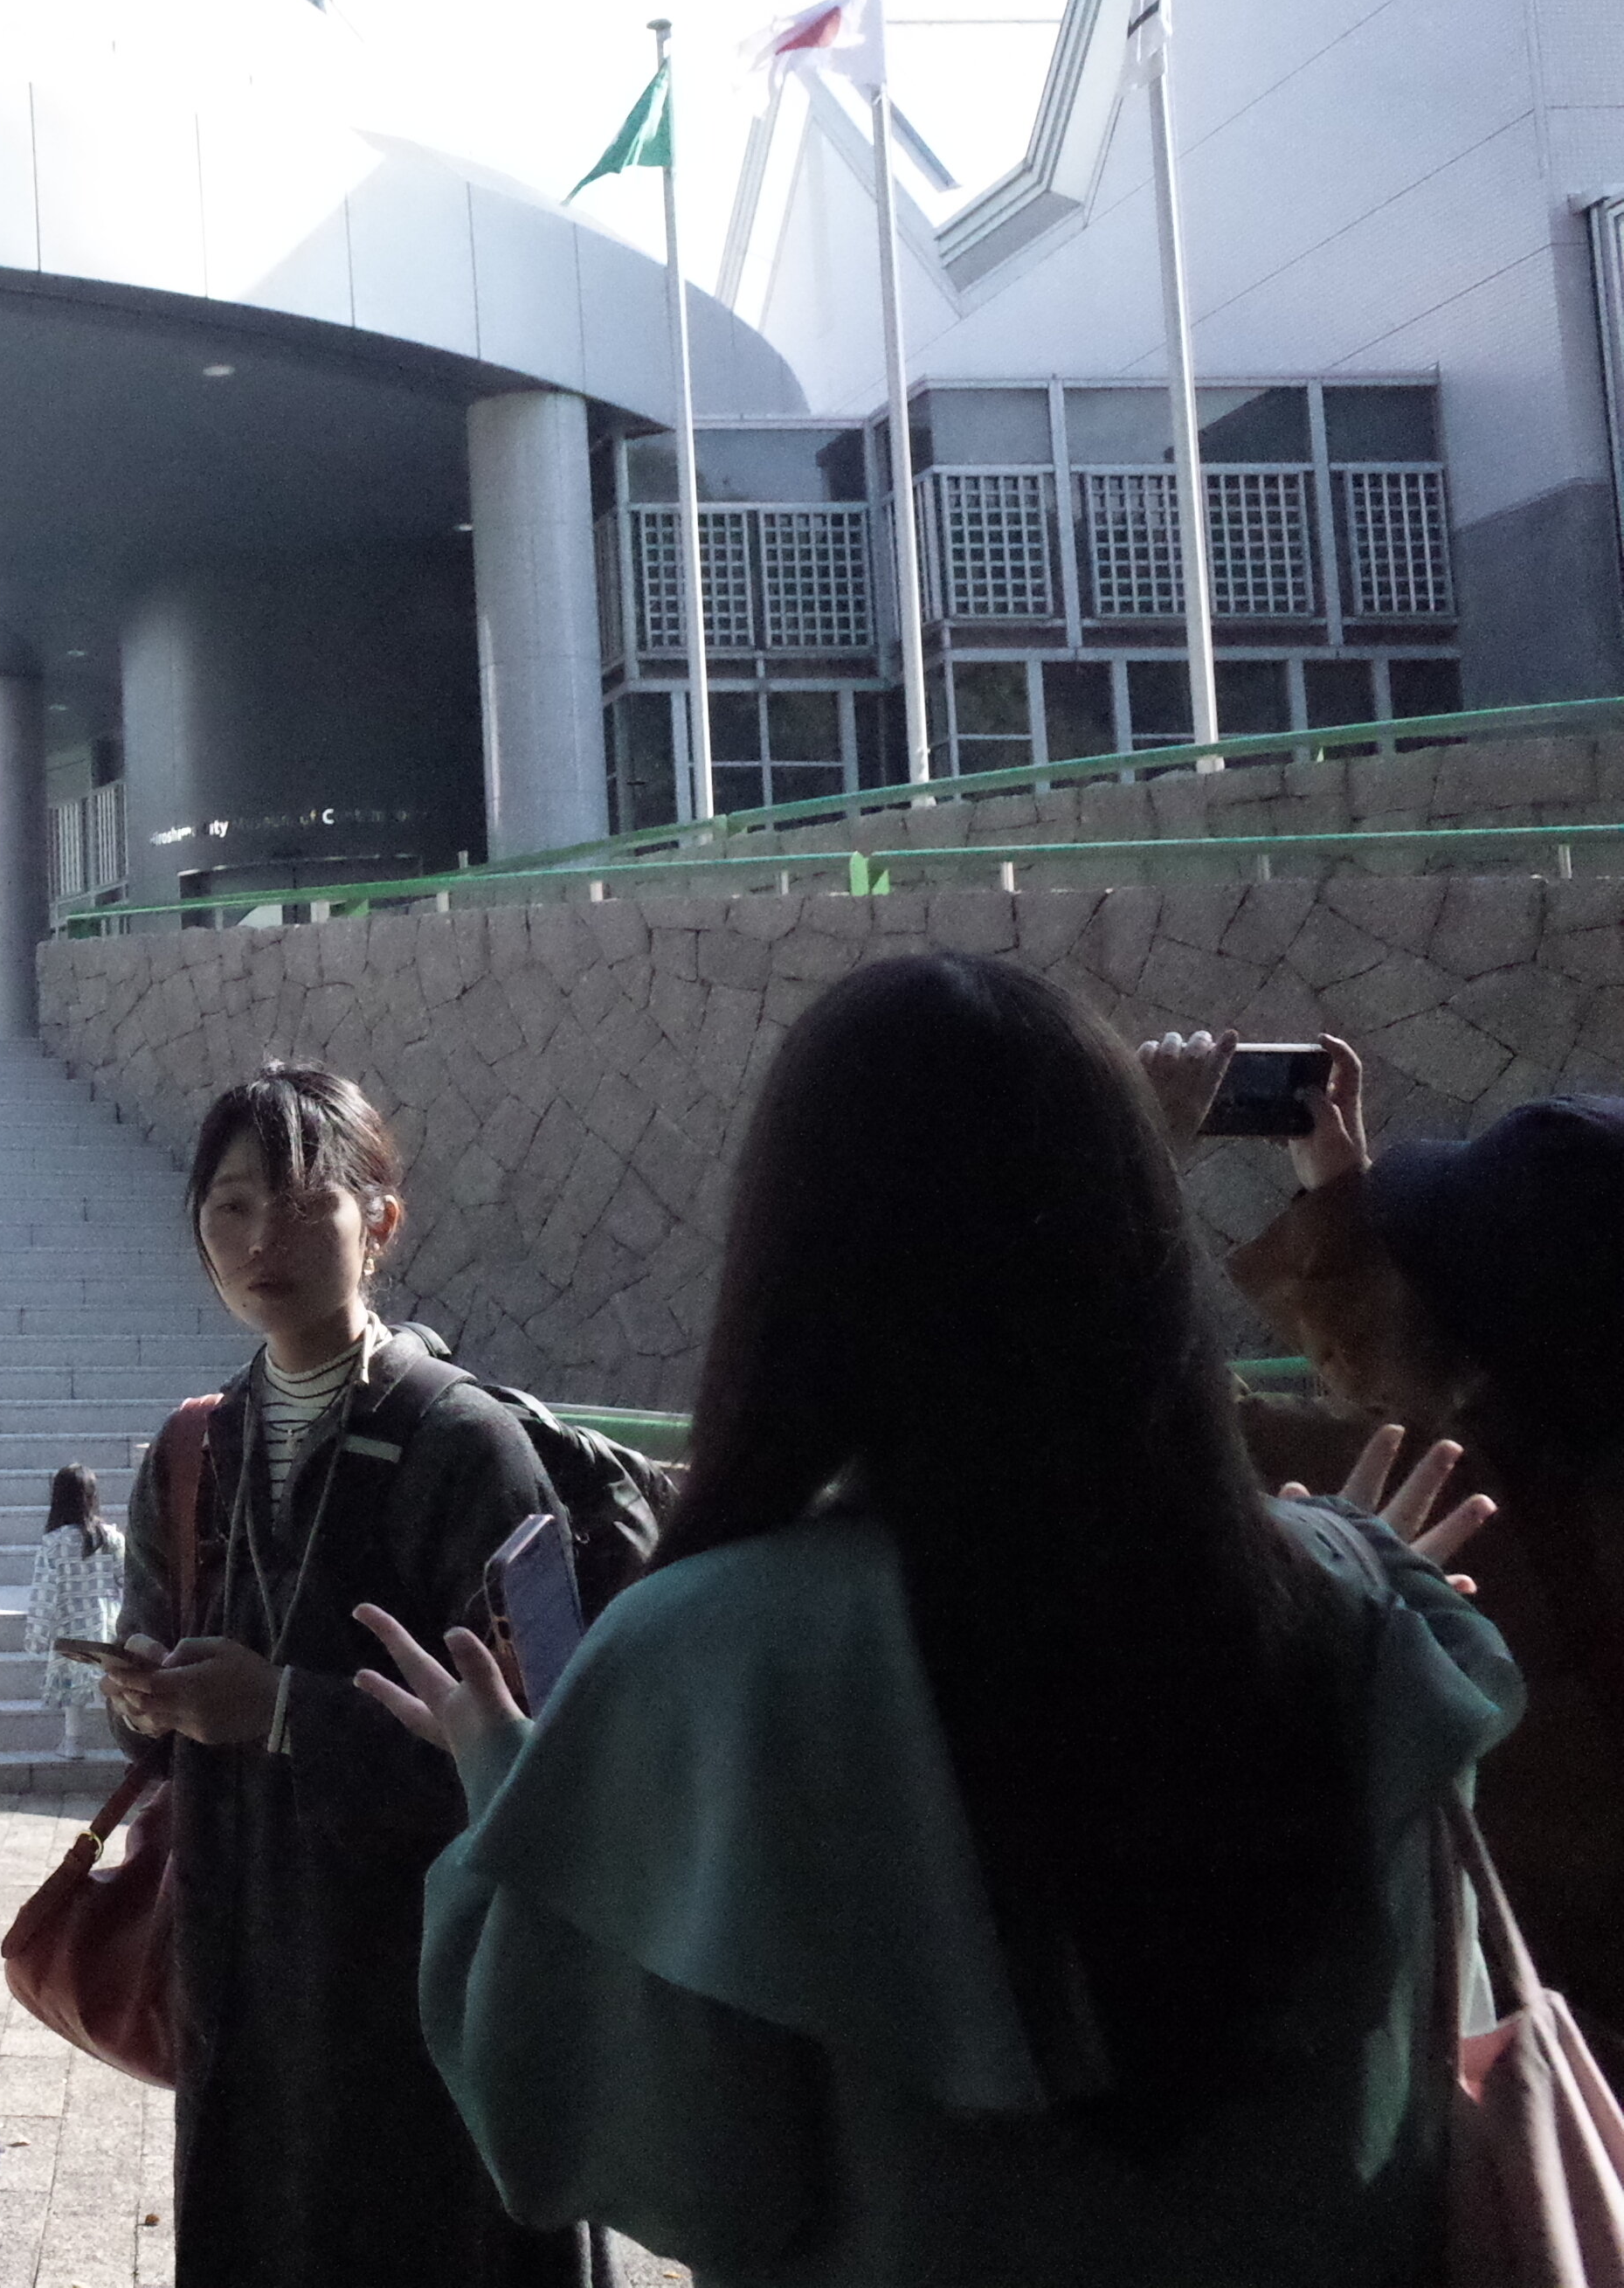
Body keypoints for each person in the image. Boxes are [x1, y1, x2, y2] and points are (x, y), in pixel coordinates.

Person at [367, 955, 1515, 2288]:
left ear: (797, 1262)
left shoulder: (706, 1660)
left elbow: (638, 2153)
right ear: (1139, 1233)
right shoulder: (1361, 1610)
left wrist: (530, 1802)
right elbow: (1425, 2050)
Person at [100, 1061, 589, 2288]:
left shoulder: (466, 1447)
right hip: (244, 1988)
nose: (260, 1240)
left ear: (381, 1222)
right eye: (230, 1206)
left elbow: (544, 1770)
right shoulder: (195, 1447)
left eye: (301, 1203)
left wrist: (282, 1713)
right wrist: (144, 1700)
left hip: (427, 2005)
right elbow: (160, 1720)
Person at [1139, 1026, 1624, 2051]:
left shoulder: (1421, 1519)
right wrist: (1339, 1201)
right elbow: (1449, 1392)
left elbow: (1133, 1416)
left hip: (1531, 2080)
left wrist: (1127, 1166)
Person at [26, 1462, 124, 1755]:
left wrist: (37, 1635)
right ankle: (125, 1739)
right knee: (113, 1679)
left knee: (72, 1684)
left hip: (69, 1623)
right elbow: (128, 1581)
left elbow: (44, 1592)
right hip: (106, 1620)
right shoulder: (111, 1538)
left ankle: (73, 1741)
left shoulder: (53, 1543)